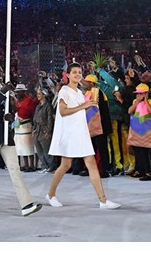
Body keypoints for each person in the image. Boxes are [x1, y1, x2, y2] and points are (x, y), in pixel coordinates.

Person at [46, 63, 121, 210]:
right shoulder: (64, 91)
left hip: (81, 133)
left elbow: (80, 113)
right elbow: (63, 111)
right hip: (69, 134)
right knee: (65, 165)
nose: (77, 74)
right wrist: (84, 106)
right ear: (67, 75)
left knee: (91, 163)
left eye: (79, 72)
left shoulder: (80, 93)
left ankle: (103, 200)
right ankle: (51, 194)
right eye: (74, 72)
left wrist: (91, 105)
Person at [0, 63, 42, 217]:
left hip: (6, 136)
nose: (1, 74)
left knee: (15, 169)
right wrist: (2, 94)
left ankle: (26, 204)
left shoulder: (2, 89)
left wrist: (9, 116)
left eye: (2, 71)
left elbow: (7, 110)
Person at [127, 83, 151, 182]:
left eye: (140, 94)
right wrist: (137, 102)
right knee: (143, 152)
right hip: (139, 131)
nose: (138, 96)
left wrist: (146, 102)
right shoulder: (135, 102)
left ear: (146, 94)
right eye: (137, 94)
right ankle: (147, 172)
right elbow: (129, 111)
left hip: (149, 131)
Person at [14, 83, 38, 171]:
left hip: (26, 125)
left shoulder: (29, 100)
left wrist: (19, 111)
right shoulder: (18, 101)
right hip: (18, 126)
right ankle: (26, 164)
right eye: (17, 92)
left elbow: (30, 112)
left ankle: (32, 165)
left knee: (28, 146)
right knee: (21, 146)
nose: (17, 93)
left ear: (24, 92)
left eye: (19, 92)